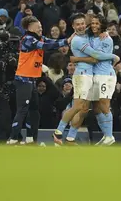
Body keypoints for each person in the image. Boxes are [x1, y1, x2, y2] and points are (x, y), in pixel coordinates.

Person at [7, 16, 74, 145]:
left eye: (41, 27)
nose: (41, 29)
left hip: (32, 79)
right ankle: (13, 138)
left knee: (33, 109)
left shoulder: (39, 38)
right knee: (22, 109)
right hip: (23, 79)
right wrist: (67, 41)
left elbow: (50, 41)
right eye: (38, 27)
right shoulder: (27, 39)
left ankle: (30, 138)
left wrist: (66, 41)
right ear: (30, 28)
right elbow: (46, 46)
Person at [53, 13, 118, 145]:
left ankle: (72, 138)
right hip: (83, 74)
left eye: (83, 23)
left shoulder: (93, 35)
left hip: (96, 75)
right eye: (77, 24)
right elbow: (94, 56)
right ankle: (58, 133)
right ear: (73, 26)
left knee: (88, 108)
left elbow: (95, 57)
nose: (82, 26)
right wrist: (114, 57)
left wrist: (75, 58)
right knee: (79, 106)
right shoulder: (79, 39)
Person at [89, 15, 118, 145]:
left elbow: (98, 56)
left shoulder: (107, 39)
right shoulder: (92, 38)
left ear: (102, 25)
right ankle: (106, 135)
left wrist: (114, 56)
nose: (94, 25)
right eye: (93, 23)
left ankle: (110, 136)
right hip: (94, 75)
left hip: (105, 75)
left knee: (104, 104)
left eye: (97, 23)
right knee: (95, 107)